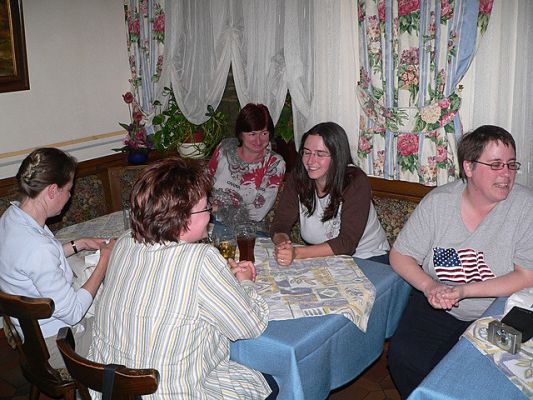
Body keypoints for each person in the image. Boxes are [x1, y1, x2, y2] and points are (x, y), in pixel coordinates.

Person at [89, 156, 278, 399]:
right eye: (206, 207)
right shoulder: (201, 260)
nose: (210, 214)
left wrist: (219, 282)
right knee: (269, 381)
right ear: (182, 219)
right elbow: (249, 327)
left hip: (112, 391)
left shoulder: (125, 242)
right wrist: (245, 282)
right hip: (168, 392)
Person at [387, 125, 533, 399]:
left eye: (511, 165)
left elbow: (527, 276)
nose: (506, 174)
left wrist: (464, 290)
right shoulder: (438, 203)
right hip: (437, 302)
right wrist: (429, 286)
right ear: (468, 167)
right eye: (496, 165)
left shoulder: (526, 207)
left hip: (496, 311)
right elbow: (400, 254)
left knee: (479, 379)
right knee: (404, 358)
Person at [0, 148, 115, 368]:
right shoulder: (37, 247)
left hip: (30, 336)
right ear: (52, 190)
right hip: (57, 346)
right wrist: (104, 259)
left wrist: (77, 244)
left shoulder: (11, 217)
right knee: (126, 323)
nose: (69, 196)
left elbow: (29, 263)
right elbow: (73, 313)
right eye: (68, 190)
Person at [270, 122, 389, 266]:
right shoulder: (298, 178)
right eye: (307, 152)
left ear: (337, 156)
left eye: (320, 154)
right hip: (323, 258)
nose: (310, 161)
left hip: (368, 258)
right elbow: (280, 224)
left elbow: (346, 243)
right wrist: (284, 245)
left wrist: (297, 253)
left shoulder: (355, 181)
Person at [208, 103, 285, 228]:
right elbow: (204, 184)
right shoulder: (225, 149)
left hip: (246, 229)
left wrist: (216, 209)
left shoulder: (274, 163)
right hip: (207, 220)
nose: (259, 141)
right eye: (252, 134)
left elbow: (258, 213)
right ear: (240, 133)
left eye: (264, 133)